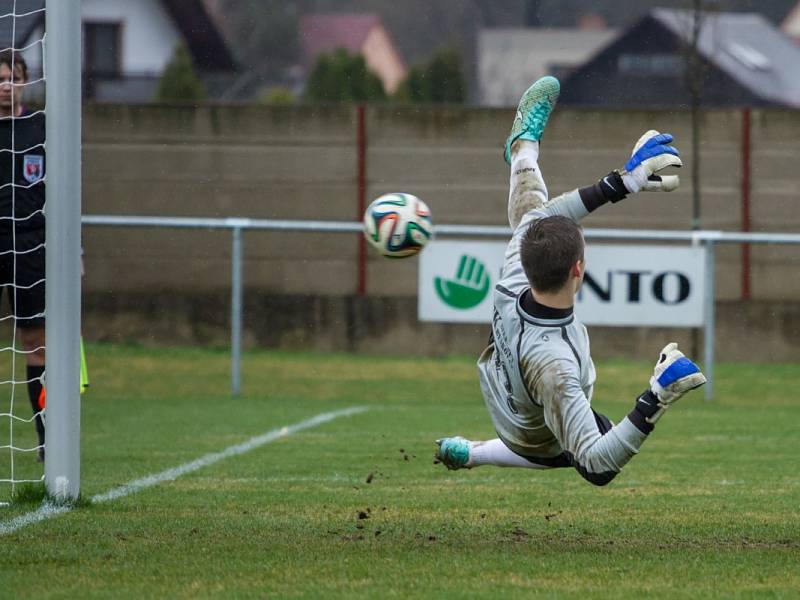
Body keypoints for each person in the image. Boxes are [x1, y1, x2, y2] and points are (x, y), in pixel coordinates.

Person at [435, 76, 707, 485]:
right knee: (596, 443)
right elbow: (598, 468)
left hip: (502, 383)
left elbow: (544, 215)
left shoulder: (515, 271)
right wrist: (656, 397)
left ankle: (522, 146)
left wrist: (624, 182)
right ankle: (477, 452)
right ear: (578, 269)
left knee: (531, 212)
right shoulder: (556, 367)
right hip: (529, 432)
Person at [0, 50, 46, 461]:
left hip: (31, 244)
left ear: (24, 80)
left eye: (12, 77)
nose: (5, 84)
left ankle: (50, 441)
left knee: (37, 344)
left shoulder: (42, 128)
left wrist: (75, 251)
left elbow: (62, 194)